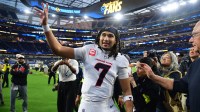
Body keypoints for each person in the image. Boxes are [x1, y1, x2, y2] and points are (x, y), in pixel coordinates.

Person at [34, 3, 133, 112]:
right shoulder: (88, 50)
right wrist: (45, 25)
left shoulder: (121, 59)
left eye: (110, 36)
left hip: (108, 105)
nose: (106, 38)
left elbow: (127, 91)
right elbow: (58, 49)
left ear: (116, 41)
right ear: (99, 37)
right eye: (103, 35)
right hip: (88, 105)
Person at [140, 20, 200, 112]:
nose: (190, 40)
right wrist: (153, 76)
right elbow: (181, 85)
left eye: (195, 35)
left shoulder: (177, 71)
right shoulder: (196, 64)